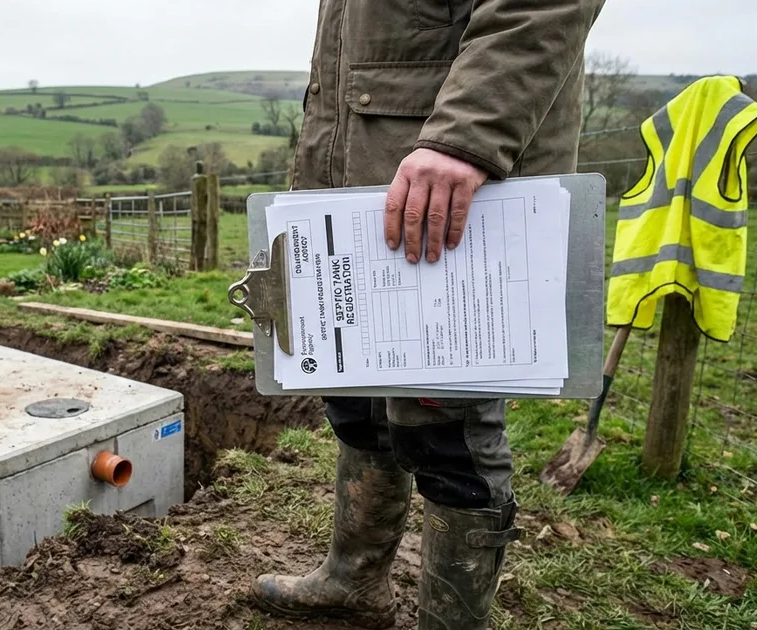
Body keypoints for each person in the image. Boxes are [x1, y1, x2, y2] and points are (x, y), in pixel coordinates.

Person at [250, 2, 607, 629]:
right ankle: (353, 582)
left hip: (452, 181)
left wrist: (467, 134)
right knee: (355, 397)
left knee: (447, 426)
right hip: (361, 183)